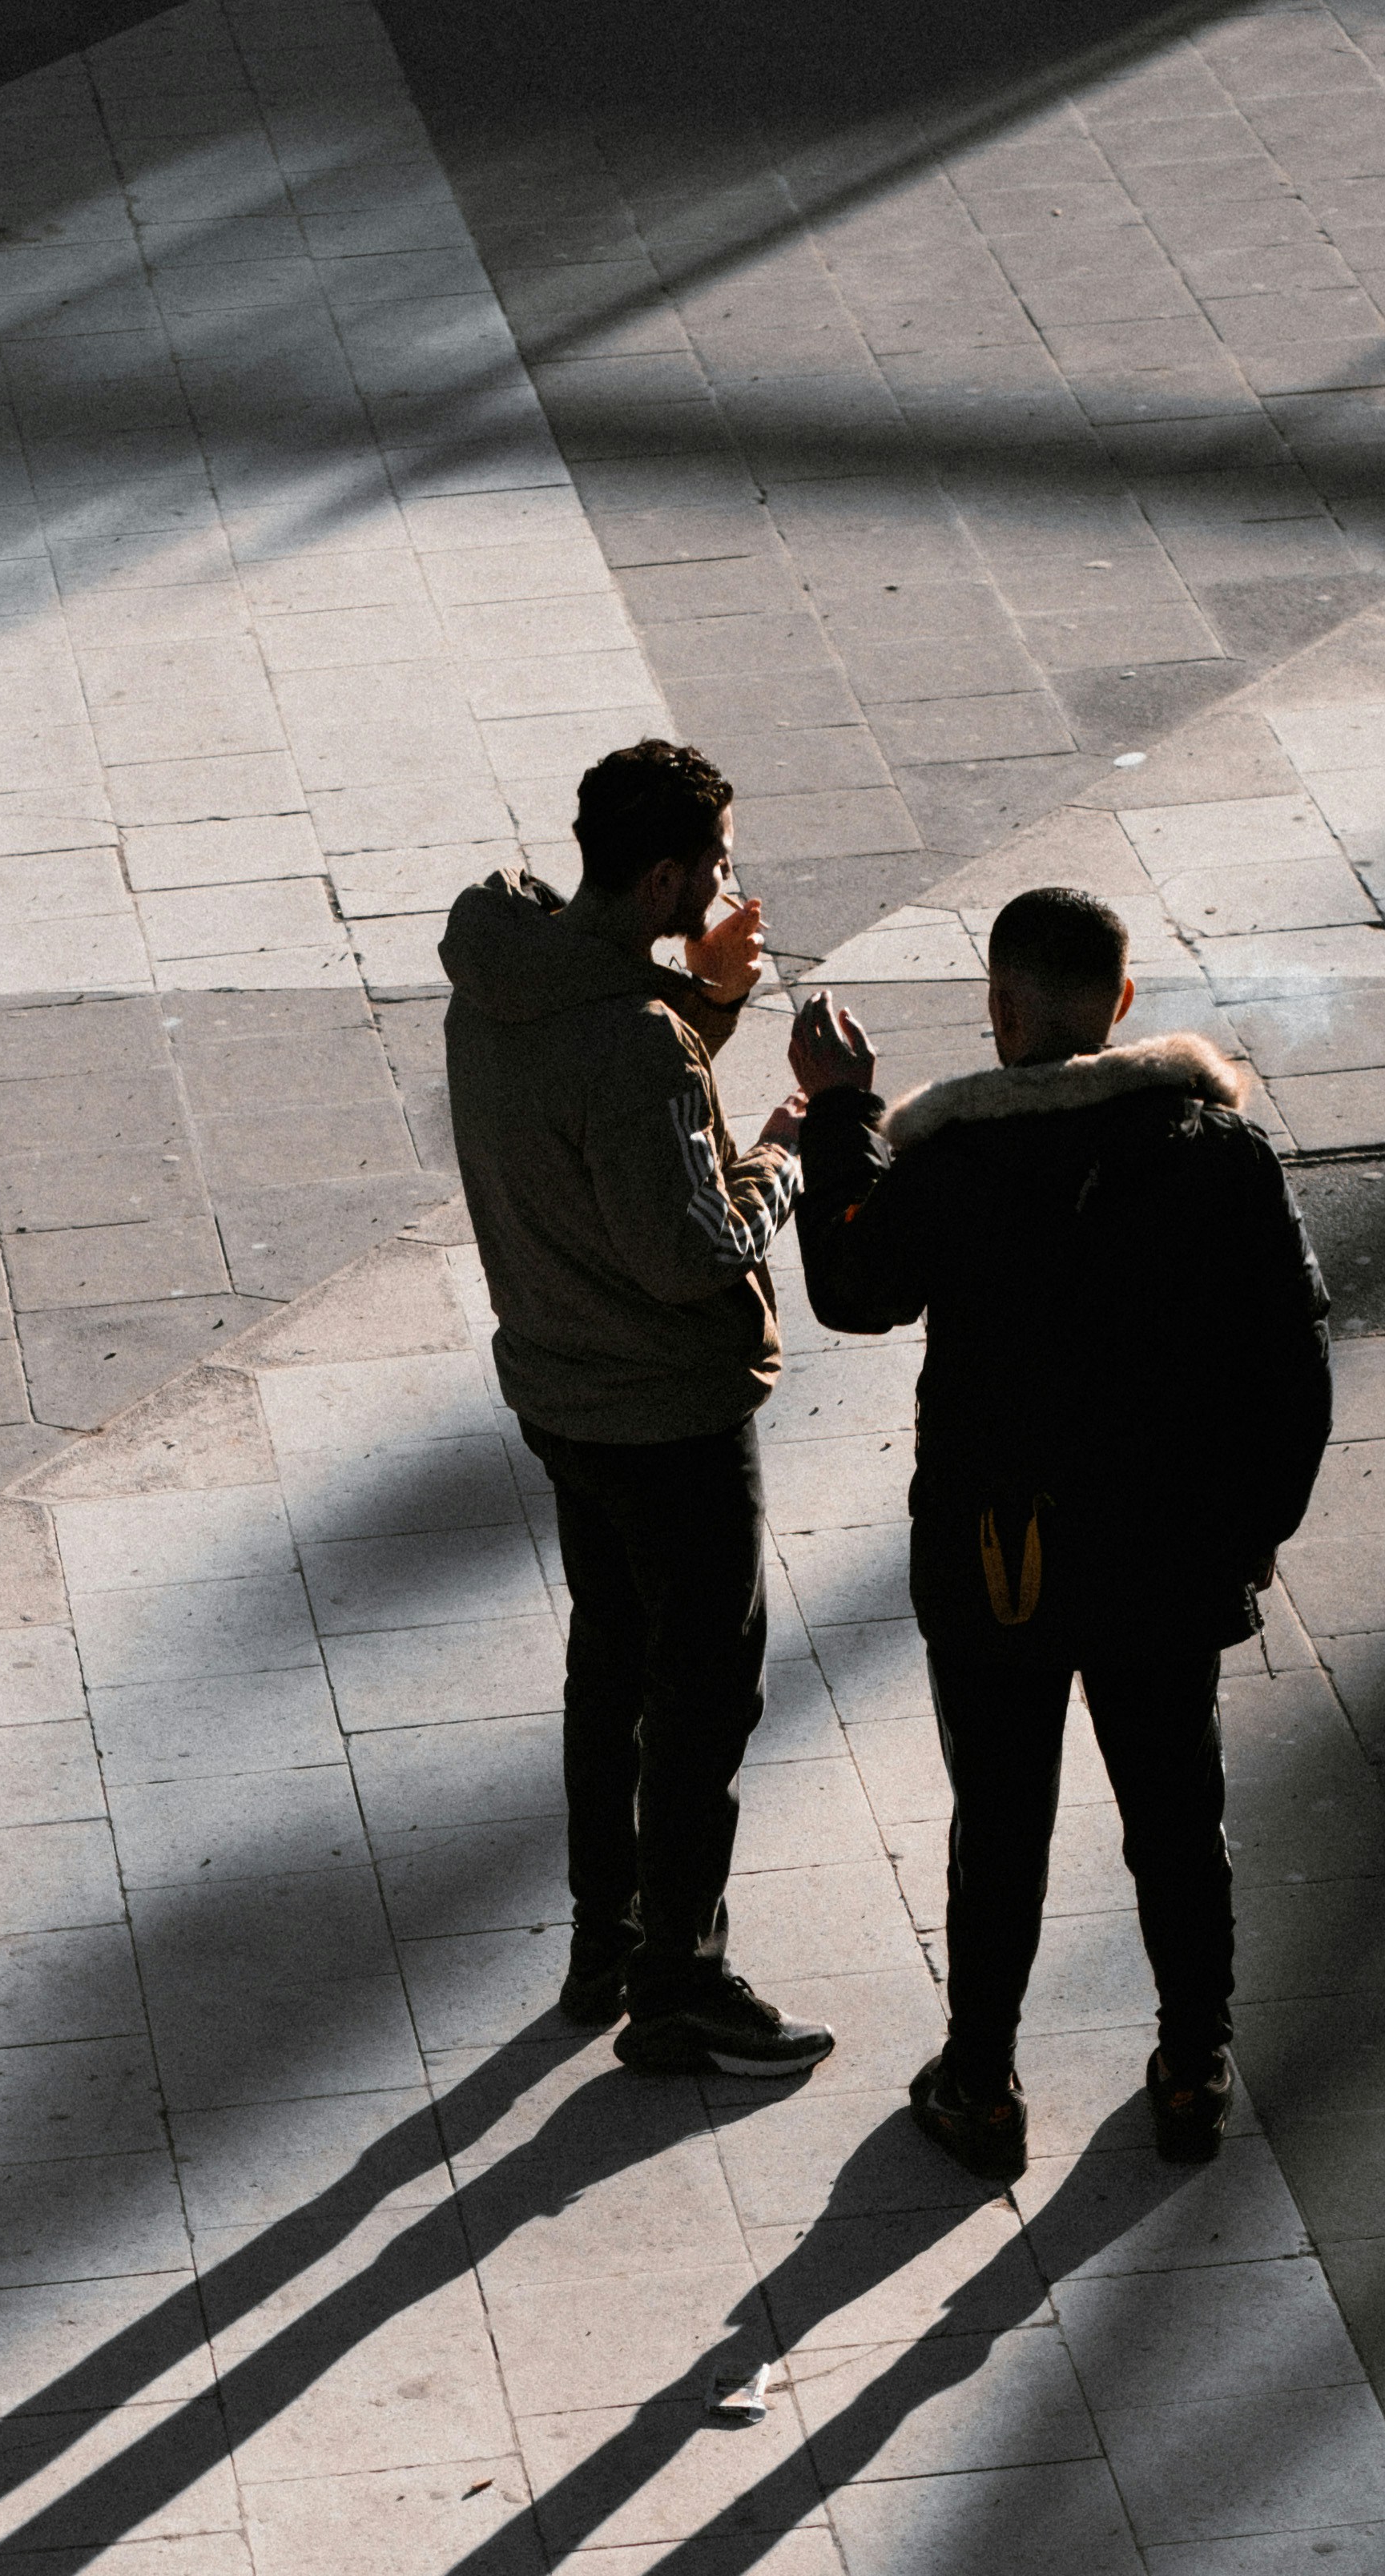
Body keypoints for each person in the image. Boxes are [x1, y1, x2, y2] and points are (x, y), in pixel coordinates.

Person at [789, 884, 1331, 2188]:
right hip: (1165, 1556)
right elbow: (1296, 1367)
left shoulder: (957, 1164)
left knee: (1005, 1821)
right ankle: (1192, 2067)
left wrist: (841, 1115)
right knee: (1176, 1816)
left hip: (1001, 1561)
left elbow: (857, 1290)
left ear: (1004, 1009)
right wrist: (1255, 1533)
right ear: (1124, 1005)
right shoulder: (1218, 1152)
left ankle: (983, 2085)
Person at [437, 736, 835, 2083]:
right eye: (716, 864)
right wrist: (789, 1137)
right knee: (705, 1691)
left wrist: (699, 1000)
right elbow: (686, 1246)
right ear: (665, 872)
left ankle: (603, 1938)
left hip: (559, 1389)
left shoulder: (504, 978)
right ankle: (683, 1980)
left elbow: (603, 1093)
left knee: (608, 1664)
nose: (729, 883)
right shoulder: (633, 1043)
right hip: (665, 1413)